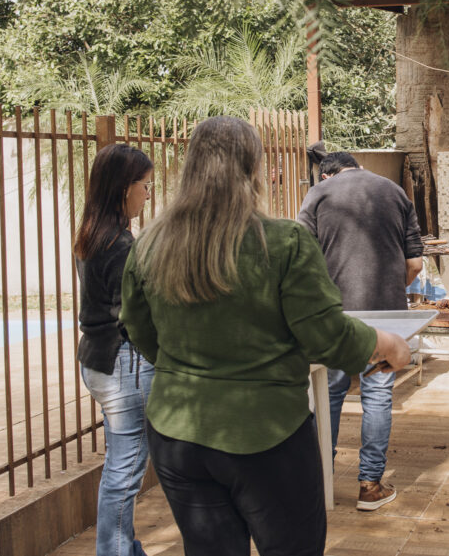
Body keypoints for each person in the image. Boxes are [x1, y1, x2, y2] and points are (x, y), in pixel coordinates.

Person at [120, 117, 410, 556]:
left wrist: (193, 365)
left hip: (177, 435)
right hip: (267, 436)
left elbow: (139, 329)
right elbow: (326, 336)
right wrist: (387, 344)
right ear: (252, 167)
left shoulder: (150, 243)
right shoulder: (283, 242)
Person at [297, 150, 423, 511]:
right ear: (359, 167)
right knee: (378, 394)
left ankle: (320, 482)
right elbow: (414, 262)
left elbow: (301, 258)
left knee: (330, 392)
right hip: (386, 312)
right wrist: (390, 287)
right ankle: (370, 486)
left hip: (335, 312)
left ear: (326, 175)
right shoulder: (395, 191)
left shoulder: (319, 194)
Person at [75, 143, 154, 556]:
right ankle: (115, 550)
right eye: (145, 185)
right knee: (125, 470)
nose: (148, 193)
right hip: (125, 363)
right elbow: (136, 315)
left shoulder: (93, 234)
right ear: (125, 188)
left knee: (121, 463)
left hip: (98, 358)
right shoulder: (121, 244)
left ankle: (123, 545)